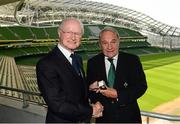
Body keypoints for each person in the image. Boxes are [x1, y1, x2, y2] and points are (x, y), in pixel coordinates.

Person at [36, 18, 103, 123]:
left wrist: (89, 88)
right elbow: (58, 105)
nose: (73, 37)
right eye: (69, 32)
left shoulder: (77, 59)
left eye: (77, 33)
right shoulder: (46, 64)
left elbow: (72, 88)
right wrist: (91, 111)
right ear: (59, 33)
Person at [87, 26, 147, 123]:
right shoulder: (93, 63)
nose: (109, 47)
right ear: (100, 44)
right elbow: (90, 90)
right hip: (104, 119)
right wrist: (95, 100)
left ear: (119, 41)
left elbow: (141, 86)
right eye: (105, 43)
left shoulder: (132, 60)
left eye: (113, 42)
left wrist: (118, 94)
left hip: (129, 118)